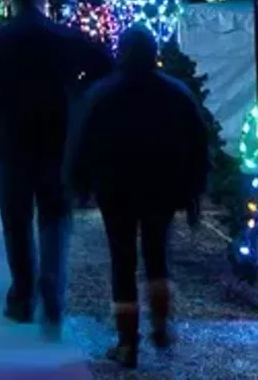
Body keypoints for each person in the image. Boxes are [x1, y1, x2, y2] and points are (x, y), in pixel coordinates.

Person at [0, 0, 113, 338]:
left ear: (12, 2)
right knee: (54, 219)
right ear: (42, 1)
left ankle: (23, 297)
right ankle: (53, 295)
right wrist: (79, 102)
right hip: (55, 142)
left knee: (16, 223)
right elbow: (105, 63)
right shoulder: (63, 38)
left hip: (10, 142)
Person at [67, 27, 209, 368]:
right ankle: (160, 322)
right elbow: (197, 146)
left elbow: (82, 143)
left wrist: (79, 183)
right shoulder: (177, 94)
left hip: (114, 188)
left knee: (122, 261)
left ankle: (128, 341)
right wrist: (192, 192)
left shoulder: (102, 94)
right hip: (162, 188)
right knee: (157, 254)